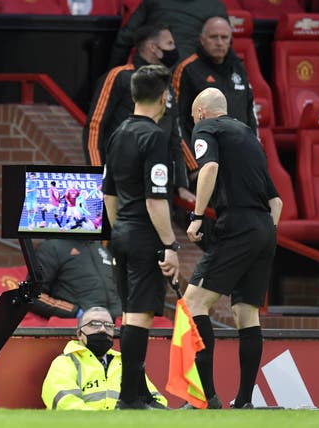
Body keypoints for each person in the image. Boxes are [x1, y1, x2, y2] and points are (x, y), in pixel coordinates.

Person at [181, 88, 282, 409]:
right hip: (265, 227)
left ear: (200, 113)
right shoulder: (249, 136)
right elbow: (276, 201)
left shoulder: (205, 128)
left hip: (236, 224)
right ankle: (244, 401)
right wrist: (261, 233)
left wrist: (197, 216)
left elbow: (208, 168)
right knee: (245, 312)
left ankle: (205, 397)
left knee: (193, 302)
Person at [102, 64, 180, 410]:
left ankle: (138, 392)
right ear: (164, 97)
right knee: (140, 314)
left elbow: (108, 194)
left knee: (130, 311)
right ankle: (128, 398)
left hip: (121, 233)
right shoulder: (156, 137)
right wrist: (169, 245)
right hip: (145, 235)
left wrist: (121, 228)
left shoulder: (117, 134)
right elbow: (155, 199)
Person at [83, 23, 194, 203]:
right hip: (120, 182)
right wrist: (98, 176)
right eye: (170, 44)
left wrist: (181, 183)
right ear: (153, 48)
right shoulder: (119, 76)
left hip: (158, 182)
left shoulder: (167, 84)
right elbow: (95, 125)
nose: (175, 49)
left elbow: (175, 136)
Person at [173, 16, 258, 175]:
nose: (219, 42)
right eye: (213, 37)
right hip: (205, 162)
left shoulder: (239, 68)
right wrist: (193, 166)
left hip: (240, 161)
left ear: (230, 40)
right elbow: (177, 122)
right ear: (202, 39)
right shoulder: (188, 70)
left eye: (224, 37)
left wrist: (255, 156)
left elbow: (250, 116)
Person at [41, 307, 167, 410]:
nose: (102, 329)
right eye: (94, 324)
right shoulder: (65, 363)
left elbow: (157, 402)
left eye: (108, 325)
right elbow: (65, 404)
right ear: (79, 334)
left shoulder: (126, 364)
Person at [107, 0, 228, 69]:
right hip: (194, 75)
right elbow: (225, 48)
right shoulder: (216, 6)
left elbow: (125, 38)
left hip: (151, 73)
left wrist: (113, 73)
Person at [29, 239, 122, 320]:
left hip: (118, 325)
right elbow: (32, 294)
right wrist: (77, 312)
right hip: (79, 326)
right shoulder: (51, 247)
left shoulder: (99, 247)